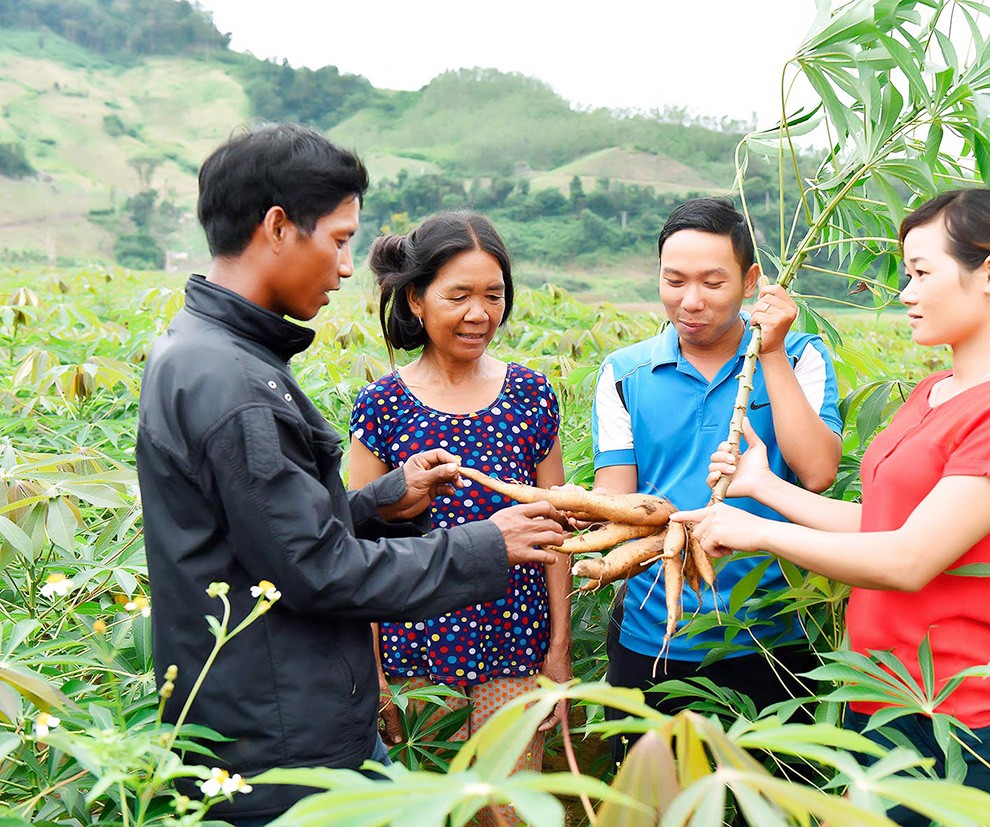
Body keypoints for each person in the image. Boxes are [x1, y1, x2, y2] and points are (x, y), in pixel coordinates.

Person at [136, 124, 566, 826]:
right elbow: (317, 568)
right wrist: (488, 544)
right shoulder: (234, 381)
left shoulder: (210, 355)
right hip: (277, 736)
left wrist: (381, 502)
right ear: (277, 226)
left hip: (276, 712)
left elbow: (272, 532)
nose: (345, 267)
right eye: (338, 240)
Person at [676, 188, 990, 822]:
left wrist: (762, 534)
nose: (906, 292)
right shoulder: (935, 392)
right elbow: (885, 525)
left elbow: (908, 559)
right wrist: (764, 487)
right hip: (881, 695)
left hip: (947, 715)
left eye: (921, 273)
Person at [590, 196, 844, 759]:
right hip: (655, 632)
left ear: (751, 281)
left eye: (713, 282)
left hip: (774, 633)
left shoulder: (800, 356)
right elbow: (616, 501)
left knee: (777, 809)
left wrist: (770, 351)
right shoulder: (626, 372)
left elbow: (819, 472)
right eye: (673, 280)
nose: (691, 301)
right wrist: (660, 530)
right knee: (654, 808)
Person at [348, 211, 571, 826]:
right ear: (417, 300)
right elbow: (354, 544)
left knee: (507, 812)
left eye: (493, 295)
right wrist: (373, 673)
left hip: (514, 643)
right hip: (413, 644)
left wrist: (558, 646)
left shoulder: (531, 394)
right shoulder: (382, 404)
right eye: (459, 296)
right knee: (429, 813)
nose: (480, 313)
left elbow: (555, 530)